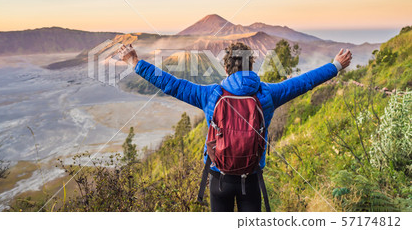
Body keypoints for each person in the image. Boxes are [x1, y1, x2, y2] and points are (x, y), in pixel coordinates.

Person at [118, 42, 352, 212]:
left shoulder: (211, 95)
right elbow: (304, 82)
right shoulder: (267, 94)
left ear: (227, 68)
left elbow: (172, 85)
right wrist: (336, 66)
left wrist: (136, 63)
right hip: (251, 177)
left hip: (219, 178)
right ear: (251, 65)